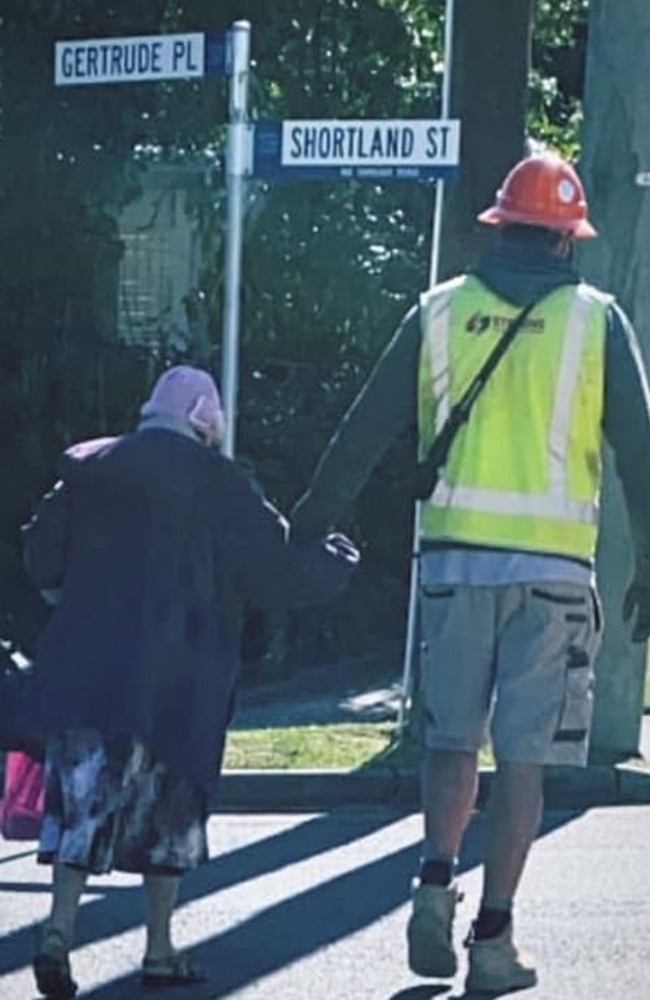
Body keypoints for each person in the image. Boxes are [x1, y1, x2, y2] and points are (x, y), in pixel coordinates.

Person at [290, 151, 650, 993]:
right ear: (567, 241)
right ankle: (492, 942)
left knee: (452, 739)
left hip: (454, 562)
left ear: (496, 226)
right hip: (555, 575)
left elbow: (362, 431)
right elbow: (641, 456)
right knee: (523, 760)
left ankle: (432, 875)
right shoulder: (597, 321)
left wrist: (305, 527)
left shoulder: (440, 311)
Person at [21, 365, 359, 999]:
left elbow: (41, 551)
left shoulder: (90, 470)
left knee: (80, 810)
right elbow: (273, 565)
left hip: (89, 673)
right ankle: (158, 948)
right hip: (182, 682)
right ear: (204, 414)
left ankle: (58, 934)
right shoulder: (219, 482)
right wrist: (334, 561)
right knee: (170, 815)